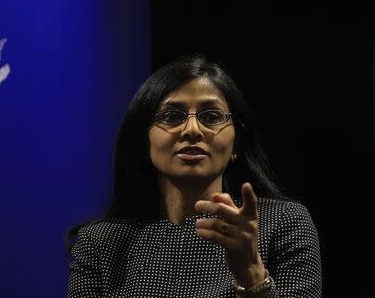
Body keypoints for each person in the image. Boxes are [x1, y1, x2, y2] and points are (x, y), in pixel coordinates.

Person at [65, 55, 322, 297]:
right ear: (144, 141)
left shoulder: (282, 224)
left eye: (211, 117)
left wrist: (251, 274)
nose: (191, 130)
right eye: (172, 116)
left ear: (236, 144)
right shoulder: (100, 243)